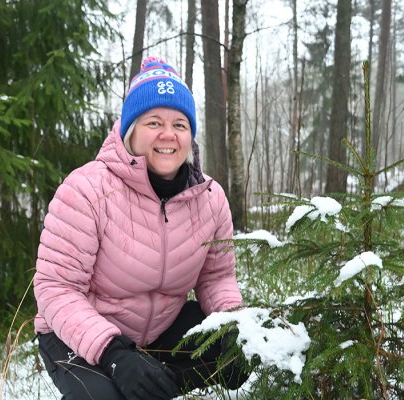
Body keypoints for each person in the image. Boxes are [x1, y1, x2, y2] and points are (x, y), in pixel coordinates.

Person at [33, 56, 249, 400]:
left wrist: (235, 326)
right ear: (130, 130)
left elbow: (217, 278)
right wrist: (115, 354)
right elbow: (55, 289)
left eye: (180, 124)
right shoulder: (87, 190)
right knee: (105, 397)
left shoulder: (210, 197)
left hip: (160, 329)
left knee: (236, 355)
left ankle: (156, 382)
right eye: (154, 122)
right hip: (76, 334)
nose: (168, 134)